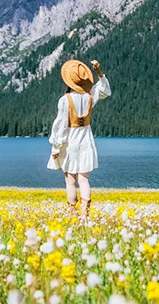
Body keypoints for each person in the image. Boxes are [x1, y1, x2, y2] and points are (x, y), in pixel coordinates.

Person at [47, 58, 111, 223]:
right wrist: (98, 71)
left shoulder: (65, 100)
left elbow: (60, 125)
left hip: (70, 141)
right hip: (86, 140)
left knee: (70, 180)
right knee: (84, 179)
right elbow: (105, 89)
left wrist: (55, 147)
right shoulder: (90, 96)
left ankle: (72, 214)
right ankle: (85, 216)